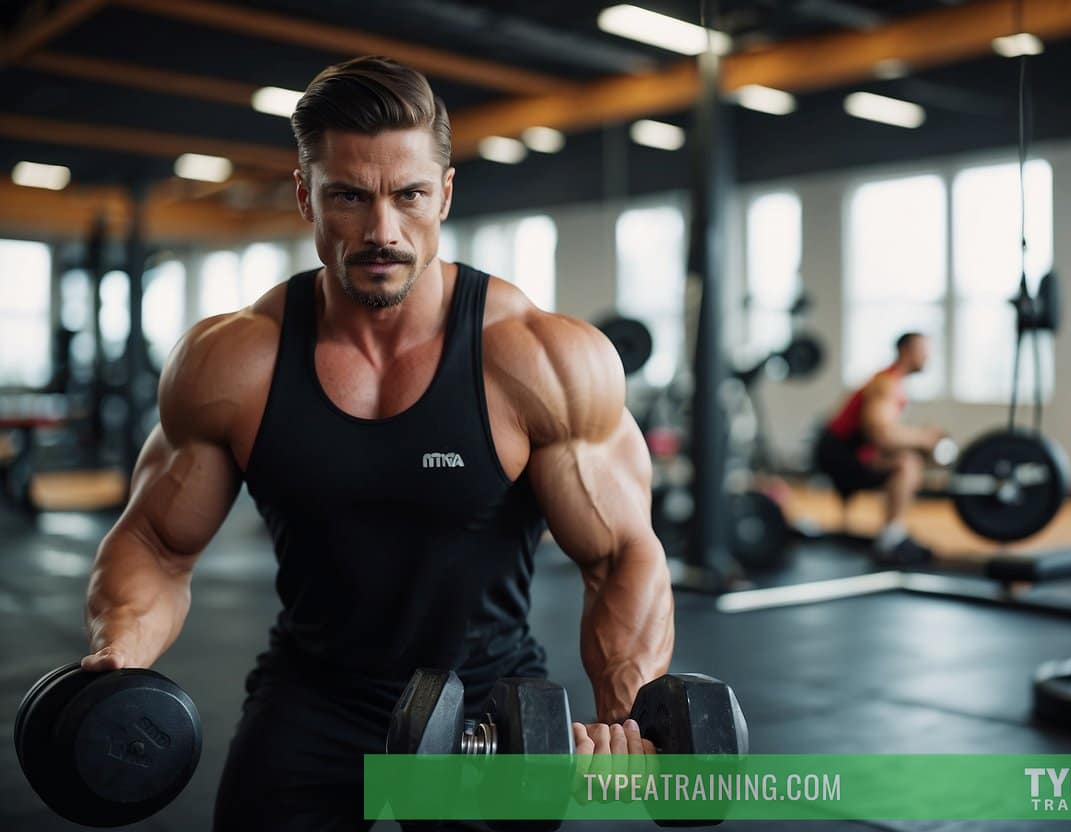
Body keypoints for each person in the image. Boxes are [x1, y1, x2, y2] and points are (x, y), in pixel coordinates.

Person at [79, 56, 673, 831]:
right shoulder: (234, 362)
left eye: (409, 195)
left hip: (490, 712)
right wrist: (118, 657)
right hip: (314, 701)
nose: (381, 230)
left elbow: (621, 553)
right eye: (349, 197)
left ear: (446, 194)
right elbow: (157, 545)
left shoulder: (538, 359)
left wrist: (622, 720)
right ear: (305, 196)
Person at [814, 332, 947, 565]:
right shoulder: (885, 383)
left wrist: (920, 440)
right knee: (906, 464)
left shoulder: (894, 383)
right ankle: (891, 538)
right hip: (837, 454)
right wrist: (923, 438)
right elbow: (882, 434)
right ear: (906, 351)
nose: (928, 357)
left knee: (907, 459)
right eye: (923, 351)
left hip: (850, 451)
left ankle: (892, 534)